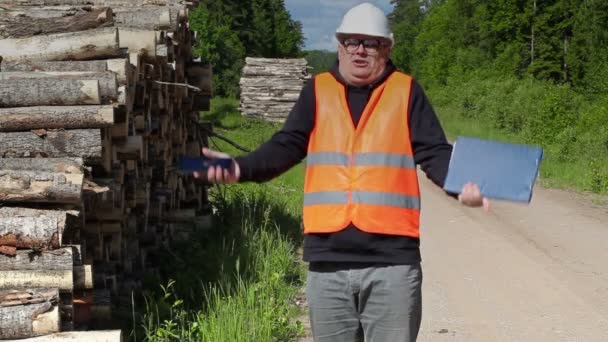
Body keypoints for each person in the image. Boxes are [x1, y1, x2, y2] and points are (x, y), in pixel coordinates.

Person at [195, 2, 489, 341]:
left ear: (387, 48)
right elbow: (286, 145)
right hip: (328, 260)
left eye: (371, 42)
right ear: (339, 45)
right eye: (352, 41)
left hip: (392, 262)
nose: (360, 50)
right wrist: (238, 167)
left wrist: (460, 185)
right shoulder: (317, 91)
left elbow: (435, 152)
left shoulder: (407, 92)